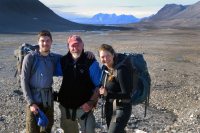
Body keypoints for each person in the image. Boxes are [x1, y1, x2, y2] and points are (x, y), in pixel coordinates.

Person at [57, 35, 101, 133]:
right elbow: (48, 69)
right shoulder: (63, 61)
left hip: (84, 108)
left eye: (78, 45)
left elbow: (99, 85)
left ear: (83, 45)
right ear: (68, 46)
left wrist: (91, 102)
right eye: (72, 45)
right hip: (66, 108)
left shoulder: (90, 62)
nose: (75, 48)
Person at [21, 30, 62, 133]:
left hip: (48, 101)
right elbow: (24, 81)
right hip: (34, 101)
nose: (45, 43)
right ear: (38, 42)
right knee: (32, 130)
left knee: (47, 128)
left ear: (51, 42)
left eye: (48, 41)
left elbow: (72, 58)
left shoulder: (54, 58)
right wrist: (31, 103)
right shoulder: (30, 58)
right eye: (42, 41)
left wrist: (86, 53)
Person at [98, 44, 138, 133]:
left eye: (108, 55)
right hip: (110, 107)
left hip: (121, 107)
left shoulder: (121, 70)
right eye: (102, 57)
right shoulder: (105, 70)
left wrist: (107, 94)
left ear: (113, 55)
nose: (105, 58)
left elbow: (127, 95)